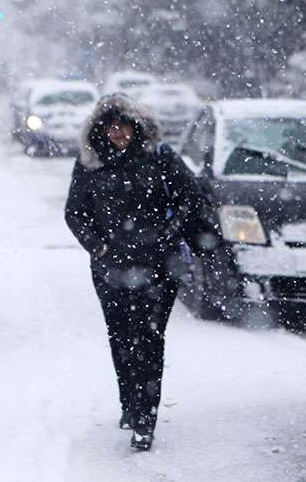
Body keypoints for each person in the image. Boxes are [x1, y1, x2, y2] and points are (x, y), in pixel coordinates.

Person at [65, 94, 206, 451]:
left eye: (125, 124)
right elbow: (75, 213)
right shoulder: (89, 163)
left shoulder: (159, 157)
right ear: (100, 129)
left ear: (137, 126)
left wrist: (167, 237)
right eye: (112, 125)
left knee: (149, 338)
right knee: (121, 335)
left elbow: (191, 199)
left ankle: (146, 419)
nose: (119, 132)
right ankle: (129, 403)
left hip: (158, 267)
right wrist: (100, 247)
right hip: (110, 268)